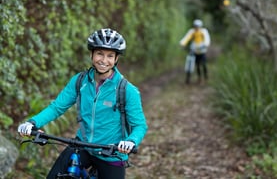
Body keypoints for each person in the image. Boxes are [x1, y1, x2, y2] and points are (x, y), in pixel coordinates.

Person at [18, 28, 148, 179]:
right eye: (99, 53)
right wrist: (32, 122)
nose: (104, 60)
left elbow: (139, 125)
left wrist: (131, 141)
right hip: (82, 146)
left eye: (110, 56)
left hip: (111, 152)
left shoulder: (127, 90)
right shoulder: (80, 81)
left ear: (116, 59)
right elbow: (56, 108)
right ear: (91, 54)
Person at [179, 19, 211, 84]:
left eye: (197, 26)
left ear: (200, 26)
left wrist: (206, 45)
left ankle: (206, 76)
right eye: (195, 26)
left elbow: (206, 39)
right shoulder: (192, 32)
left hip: (202, 51)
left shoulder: (203, 31)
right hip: (195, 50)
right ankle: (199, 78)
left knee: (204, 64)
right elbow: (187, 38)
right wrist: (182, 44)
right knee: (198, 65)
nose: (196, 27)